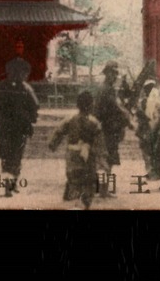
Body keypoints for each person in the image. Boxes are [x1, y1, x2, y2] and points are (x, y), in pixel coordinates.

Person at [0, 58, 39, 195]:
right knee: (17, 156)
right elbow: (34, 107)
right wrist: (31, 121)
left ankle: (8, 185)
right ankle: (12, 183)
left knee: (6, 156)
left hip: (3, 127)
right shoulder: (26, 88)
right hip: (19, 128)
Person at [48, 91, 104, 209]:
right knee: (89, 182)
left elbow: (59, 132)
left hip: (73, 155)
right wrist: (101, 155)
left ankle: (75, 201)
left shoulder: (70, 119)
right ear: (91, 105)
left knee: (74, 178)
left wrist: (53, 144)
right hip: (88, 155)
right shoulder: (94, 123)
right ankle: (84, 203)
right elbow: (99, 142)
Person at [93, 65, 132, 193]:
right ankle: (103, 190)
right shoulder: (106, 89)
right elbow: (115, 107)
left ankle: (102, 188)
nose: (115, 76)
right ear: (107, 74)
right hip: (107, 129)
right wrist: (127, 118)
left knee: (105, 159)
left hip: (107, 127)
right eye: (113, 74)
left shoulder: (106, 88)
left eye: (116, 74)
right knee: (107, 159)